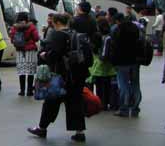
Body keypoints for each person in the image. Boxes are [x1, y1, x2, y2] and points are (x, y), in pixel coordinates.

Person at [27, 13, 88, 143]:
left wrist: (44, 55)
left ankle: (41, 128)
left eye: (53, 23)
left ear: (58, 23)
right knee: (75, 103)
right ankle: (79, 132)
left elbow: (54, 55)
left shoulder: (58, 35)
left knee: (51, 101)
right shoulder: (76, 34)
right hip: (78, 75)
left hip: (62, 75)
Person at [110, 12, 142, 117]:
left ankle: (124, 108)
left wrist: (113, 62)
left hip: (122, 61)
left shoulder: (117, 30)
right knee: (135, 85)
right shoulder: (135, 27)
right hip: (135, 60)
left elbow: (114, 47)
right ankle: (135, 109)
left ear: (117, 21)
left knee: (123, 85)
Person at [88, 17, 117, 111]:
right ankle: (108, 102)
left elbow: (99, 51)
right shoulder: (110, 35)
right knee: (107, 85)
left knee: (100, 86)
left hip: (100, 64)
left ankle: (102, 103)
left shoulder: (101, 37)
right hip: (109, 66)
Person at [10, 12, 40, 96]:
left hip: (20, 51)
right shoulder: (31, 26)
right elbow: (36, 38)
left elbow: (12, 39)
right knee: (30, 72)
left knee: (21, 72)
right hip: (30, 51)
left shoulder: (14, 27)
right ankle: (29, 91)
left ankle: (22, 91)